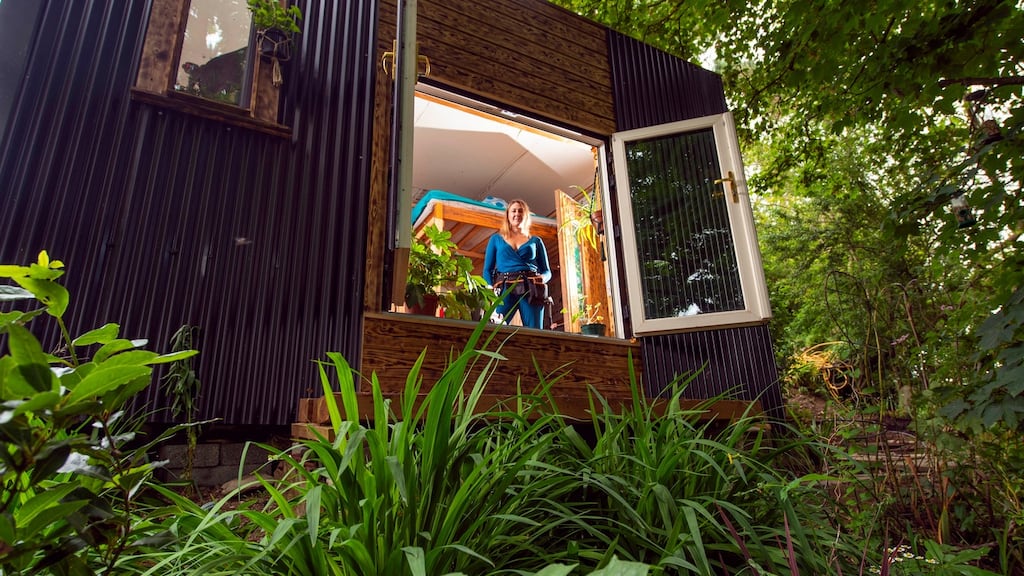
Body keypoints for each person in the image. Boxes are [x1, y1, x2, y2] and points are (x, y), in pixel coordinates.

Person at [482, 199, 552, 329]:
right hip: (504, 286)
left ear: (525, 215)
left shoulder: (536, 241)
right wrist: (490, 288)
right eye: (513, 211)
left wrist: (541, 279)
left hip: (531, 287)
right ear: (508, 215)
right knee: (495, 328)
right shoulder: (496, 239)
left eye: (520, 211)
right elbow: (487, 269)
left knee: (534, 330)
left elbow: (547, 271)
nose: (517, 214)